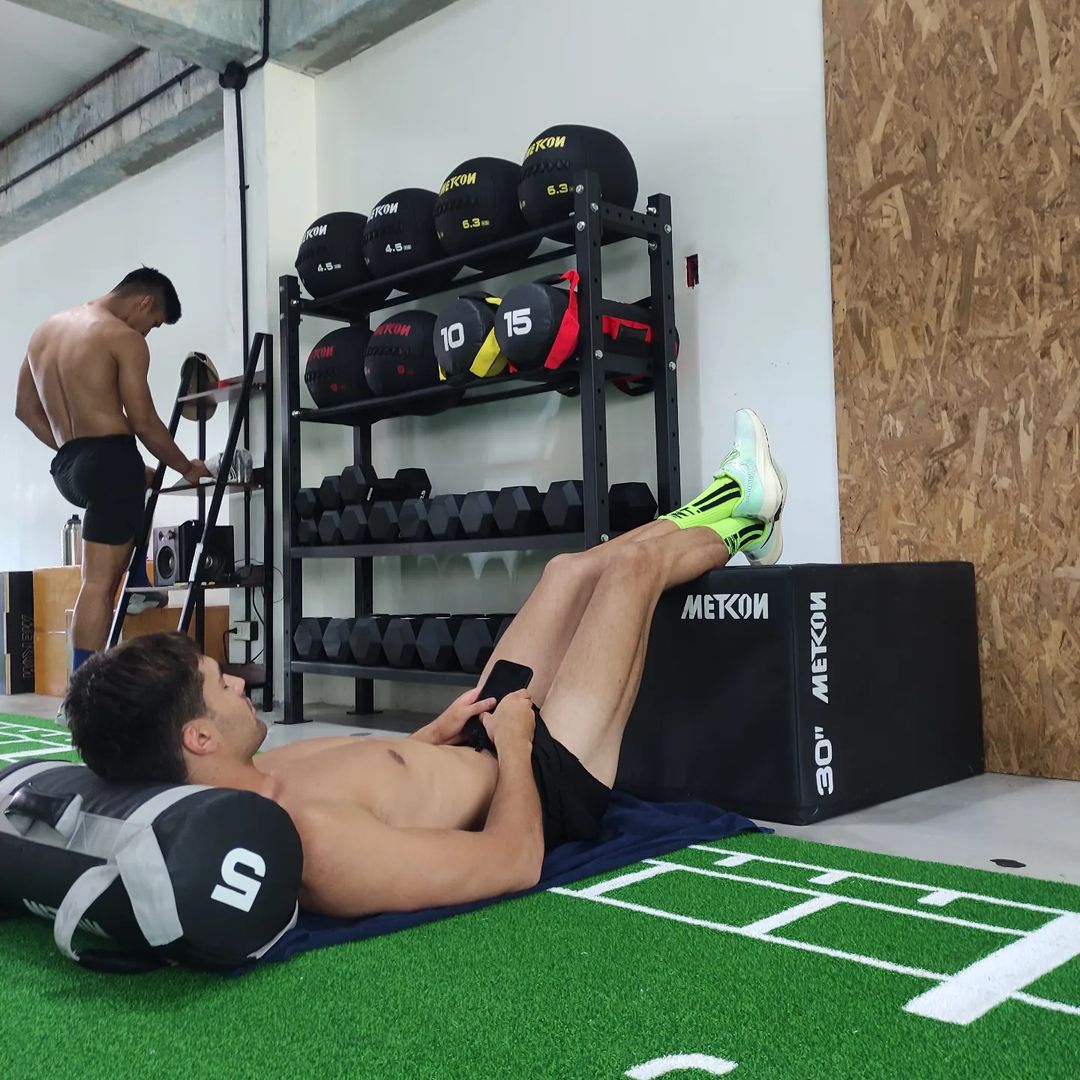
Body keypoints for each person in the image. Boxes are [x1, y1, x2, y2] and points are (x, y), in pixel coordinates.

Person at [65, 410, 786, 919]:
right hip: (547, 781)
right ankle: (745, 512)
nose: (234, 677)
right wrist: (516, 745)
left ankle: (737, 510)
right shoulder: (314, 844)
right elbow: (513, 862)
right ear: (198, 737)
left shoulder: (261, 773)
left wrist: (428, 738)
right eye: (215, 684)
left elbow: (382, 790)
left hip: (483, 737)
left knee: (567, 571)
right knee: (630, 572)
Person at [14, 268, 211, 674]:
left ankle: (137, 585)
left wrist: (80, 453)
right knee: (98, 586)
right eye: (154, 323)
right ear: (144, 301)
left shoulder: (45, 332)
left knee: (136, 491)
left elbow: (25, 410)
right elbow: (144, 422)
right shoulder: (124, 338)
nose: (148, 332)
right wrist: (186, 467)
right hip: (109, 460)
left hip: (68, 466)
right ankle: (83, 689)